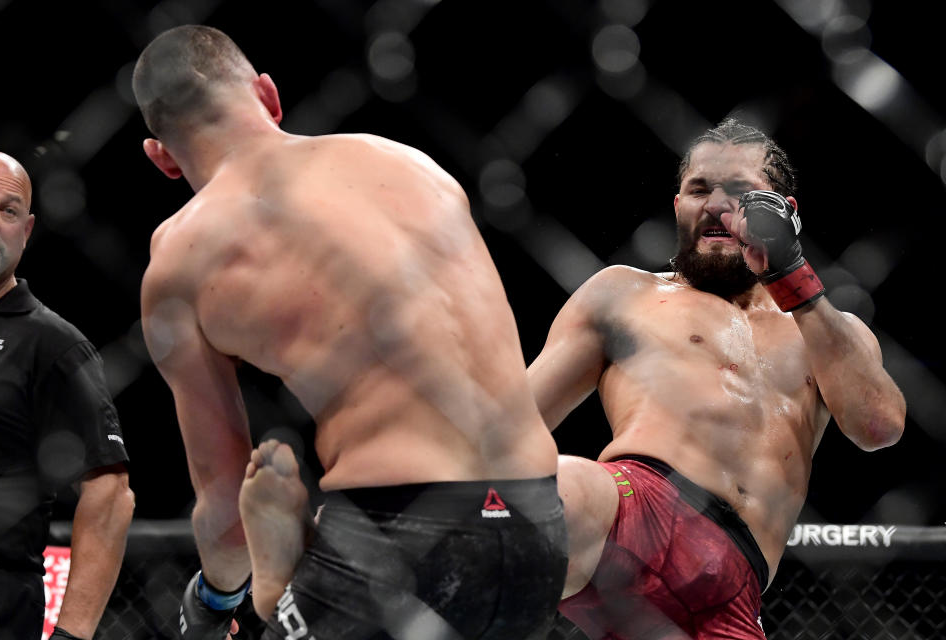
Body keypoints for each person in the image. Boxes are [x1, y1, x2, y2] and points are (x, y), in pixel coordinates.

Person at [132, 24, 567, 640]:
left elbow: (227, 511)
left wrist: (211, 599)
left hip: (394, 535)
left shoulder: (180, 258)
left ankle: (274, 592)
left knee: (244, 605)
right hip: (538, 527)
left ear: (164, 158)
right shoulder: (409, 162)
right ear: (268, 95)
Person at [528, 119, 907, 639]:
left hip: (734, 586)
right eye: (699, 190)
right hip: (634, 510)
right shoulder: (623, 294)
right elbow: (514, 423)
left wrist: (792, 277)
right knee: (542, 495)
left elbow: (879, 427)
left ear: (784, 214)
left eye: (741, 193)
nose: (716, 205)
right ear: (678, 205)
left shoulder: (831, 333)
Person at [0, 150, 135, 640]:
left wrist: (71, 636)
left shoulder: (53, 344)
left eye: (7, 211)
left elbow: (109, 492)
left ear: (26, 232)